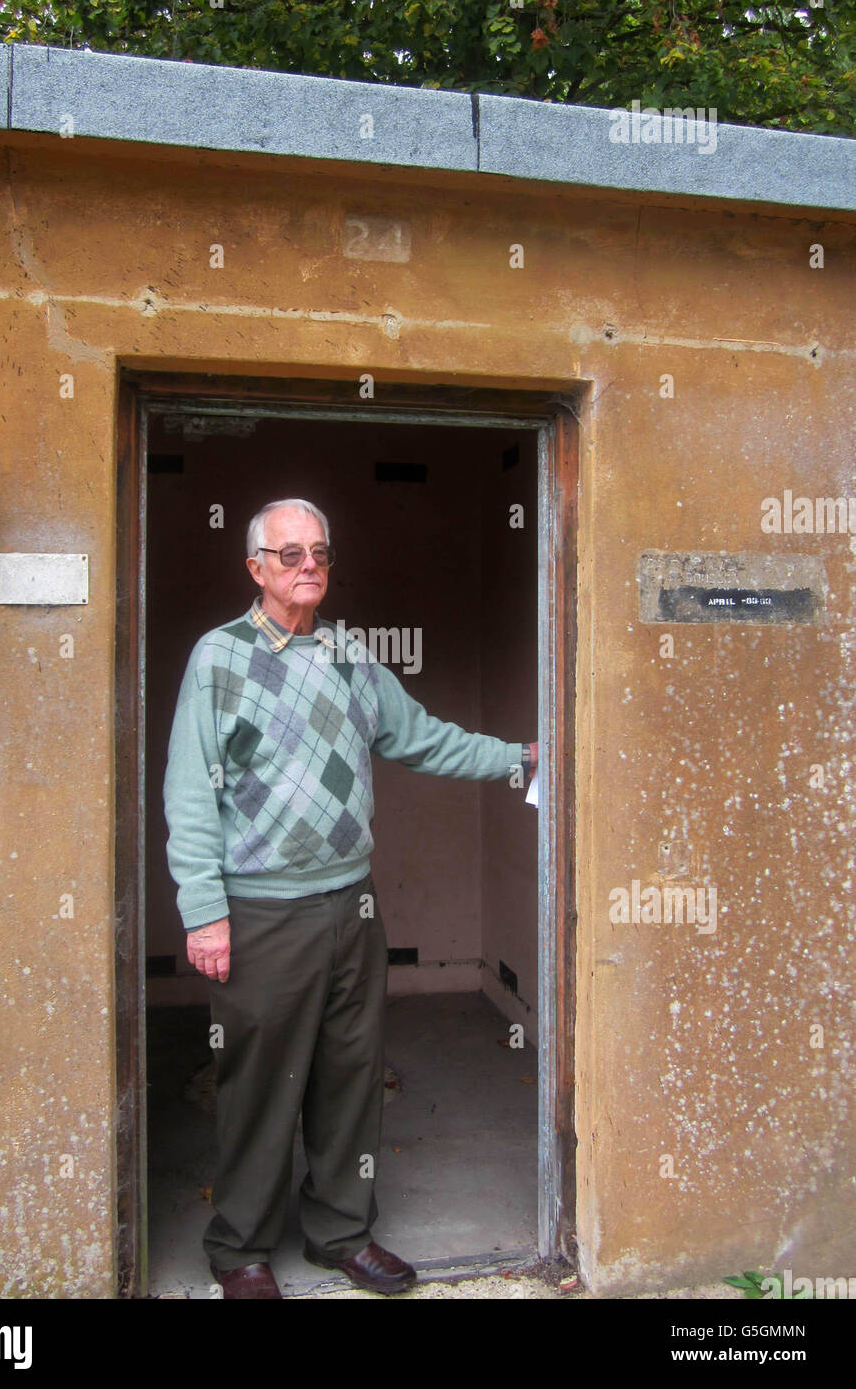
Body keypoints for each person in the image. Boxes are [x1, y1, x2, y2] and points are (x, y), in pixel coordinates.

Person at [163, 498, 538, 1299]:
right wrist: (203, 913)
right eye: (289, 553)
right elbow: (190, 793)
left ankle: (340, 1233)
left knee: (348, 1077)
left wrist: (520, 757)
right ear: (255, 568)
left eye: (320, 553)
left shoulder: (350, 656)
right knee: (261, 1088)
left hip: (350, 908)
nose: (308, 567)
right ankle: (241, 1250)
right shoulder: (218, 659)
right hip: (260, 913)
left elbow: (422, 736)